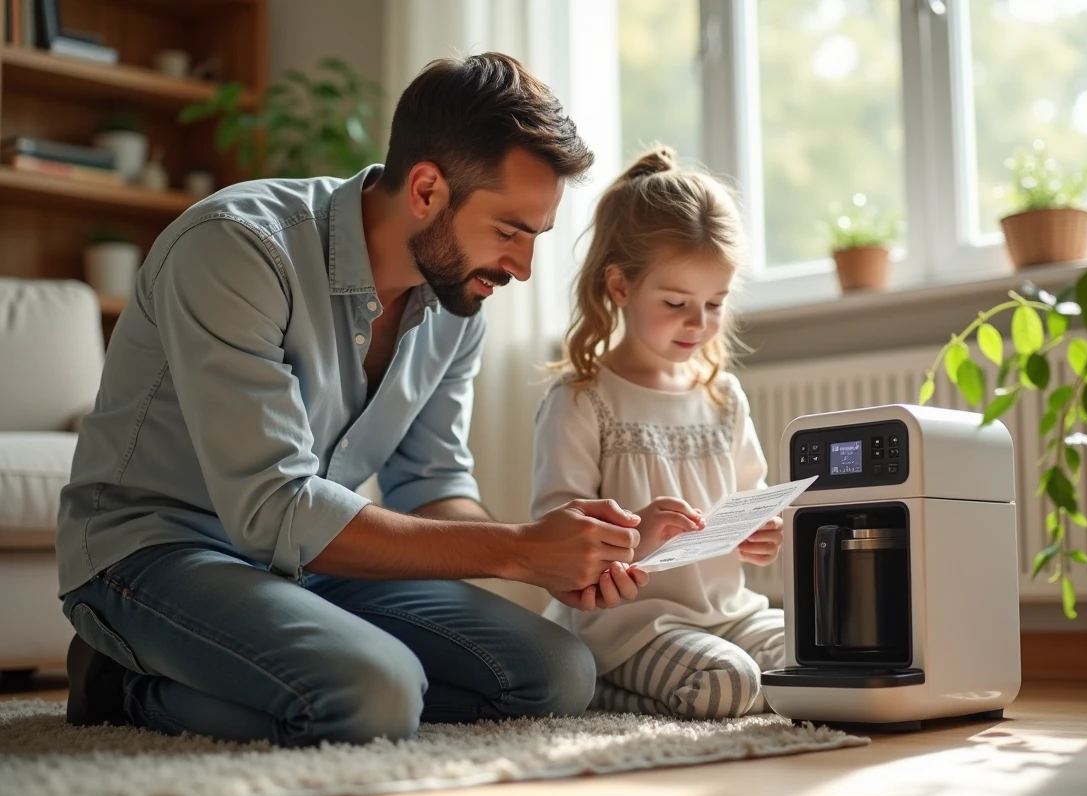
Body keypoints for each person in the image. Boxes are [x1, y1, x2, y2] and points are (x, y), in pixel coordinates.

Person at [56, 52, 661, 748]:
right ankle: (120, 682)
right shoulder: (237, 247)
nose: (522, 268)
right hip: (152, 554)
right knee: (373, 695)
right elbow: (271, 506)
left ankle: (265, 672)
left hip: (308, 564)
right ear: (428, 190)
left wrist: (563, 556)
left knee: (558, 674)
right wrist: (520, 551)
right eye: (509, 231)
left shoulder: (455, 303)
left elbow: (432, 485)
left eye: (535, 237)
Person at [530, 145, 785, 720]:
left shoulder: (723, 397)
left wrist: (761, 534)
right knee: (729, 684)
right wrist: (638, 537)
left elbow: (752, 499)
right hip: (630, 628)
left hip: (729, 611)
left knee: (822, 653)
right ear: (620, 287)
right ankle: (601, 684)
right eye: (676, 303)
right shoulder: (582, 399)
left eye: (715, 303)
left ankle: (659, 686)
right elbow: (558, 536)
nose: (699, 323)